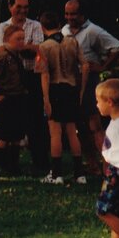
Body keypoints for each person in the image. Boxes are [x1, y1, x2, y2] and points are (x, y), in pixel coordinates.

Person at [0, 0, 46, 175]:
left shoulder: (36, 25)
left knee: (35, 121)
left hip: (31, 77)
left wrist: (19, 47)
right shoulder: (1, 28)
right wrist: (27, 47)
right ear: (10, 7)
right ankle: (9, 164)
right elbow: (1, 51)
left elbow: (39, 49)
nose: (22, 11)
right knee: (11, 124)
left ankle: (40, 163)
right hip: (10, 80)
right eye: (18, 7)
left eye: (25, 7)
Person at [63, 0, 119, 160]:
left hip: (89, 81)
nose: (69, 17)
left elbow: (117, 46)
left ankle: (108, 163)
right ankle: (91, 163)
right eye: (67, 14)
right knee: (80, 125)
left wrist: (103, 66)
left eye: (73, 14)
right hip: (72, 81)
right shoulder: (64, 31)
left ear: (82, 14)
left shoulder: (93, 31)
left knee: (93, 123)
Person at [36, 11, 88, 185]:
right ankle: (79, 173)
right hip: (72, 88)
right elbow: (85, 65)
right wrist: (81, 89)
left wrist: (46, 99)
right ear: (59, 24)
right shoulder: (72, 41)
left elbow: (44, 75)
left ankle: (56, 174)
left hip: (55, 89)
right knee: (72, 131)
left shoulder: (44, 47)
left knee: (55, 133)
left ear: (42, 27)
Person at [0, 25, 32, 178]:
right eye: (18, 39)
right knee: (5, 135)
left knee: (17, 136)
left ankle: (13, 167)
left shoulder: (17, 56)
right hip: (8, 98)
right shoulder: (3, 57)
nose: (21, 42)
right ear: (7, 39)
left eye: (23, 38)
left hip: (19, 98)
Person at [95, 78, 119, 238]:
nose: (97, 105)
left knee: (104, 210)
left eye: (99, 101)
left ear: (110, 102)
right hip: (114, 171)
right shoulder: (116, 123)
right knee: (118, 212)